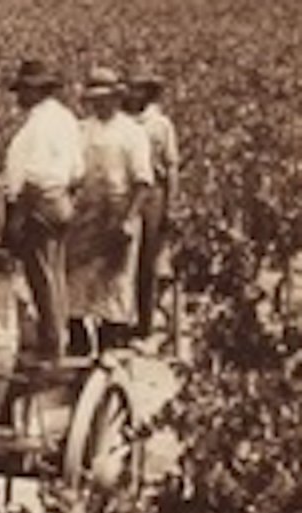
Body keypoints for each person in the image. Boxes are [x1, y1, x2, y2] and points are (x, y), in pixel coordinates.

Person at [0, 59, 85, 361]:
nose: (19, 97)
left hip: (40, 204)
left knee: (42, 276)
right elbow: (77, 171)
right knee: (55, 272)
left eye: (23, 90)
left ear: (36, 90)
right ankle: (59, 338)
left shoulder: (39, 124)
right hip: (60, 201)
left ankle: (52, 345)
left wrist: (18, 218)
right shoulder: (65, 119)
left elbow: (34, 175)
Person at [68, 67, 154, 349]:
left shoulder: (132, 133)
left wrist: (130, 219)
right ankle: (78, 343)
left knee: (115, 282)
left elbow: (143, 182)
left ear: (117, 99)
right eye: (95, 99)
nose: (100, 104)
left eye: (106, 98)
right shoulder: (82, 129)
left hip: (119, 210)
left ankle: (109, 347)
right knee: (77, 280)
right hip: (86, 211)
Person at [125, 70, 180, 336]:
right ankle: (120, 321)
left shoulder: (160, 124)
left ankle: (144, 322)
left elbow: (170, 167)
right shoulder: (121, 121)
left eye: (137, 89)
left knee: (147, 261)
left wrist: (171, 204)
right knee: (120, 260)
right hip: (126, 193)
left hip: (153, 195)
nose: (131, 94)